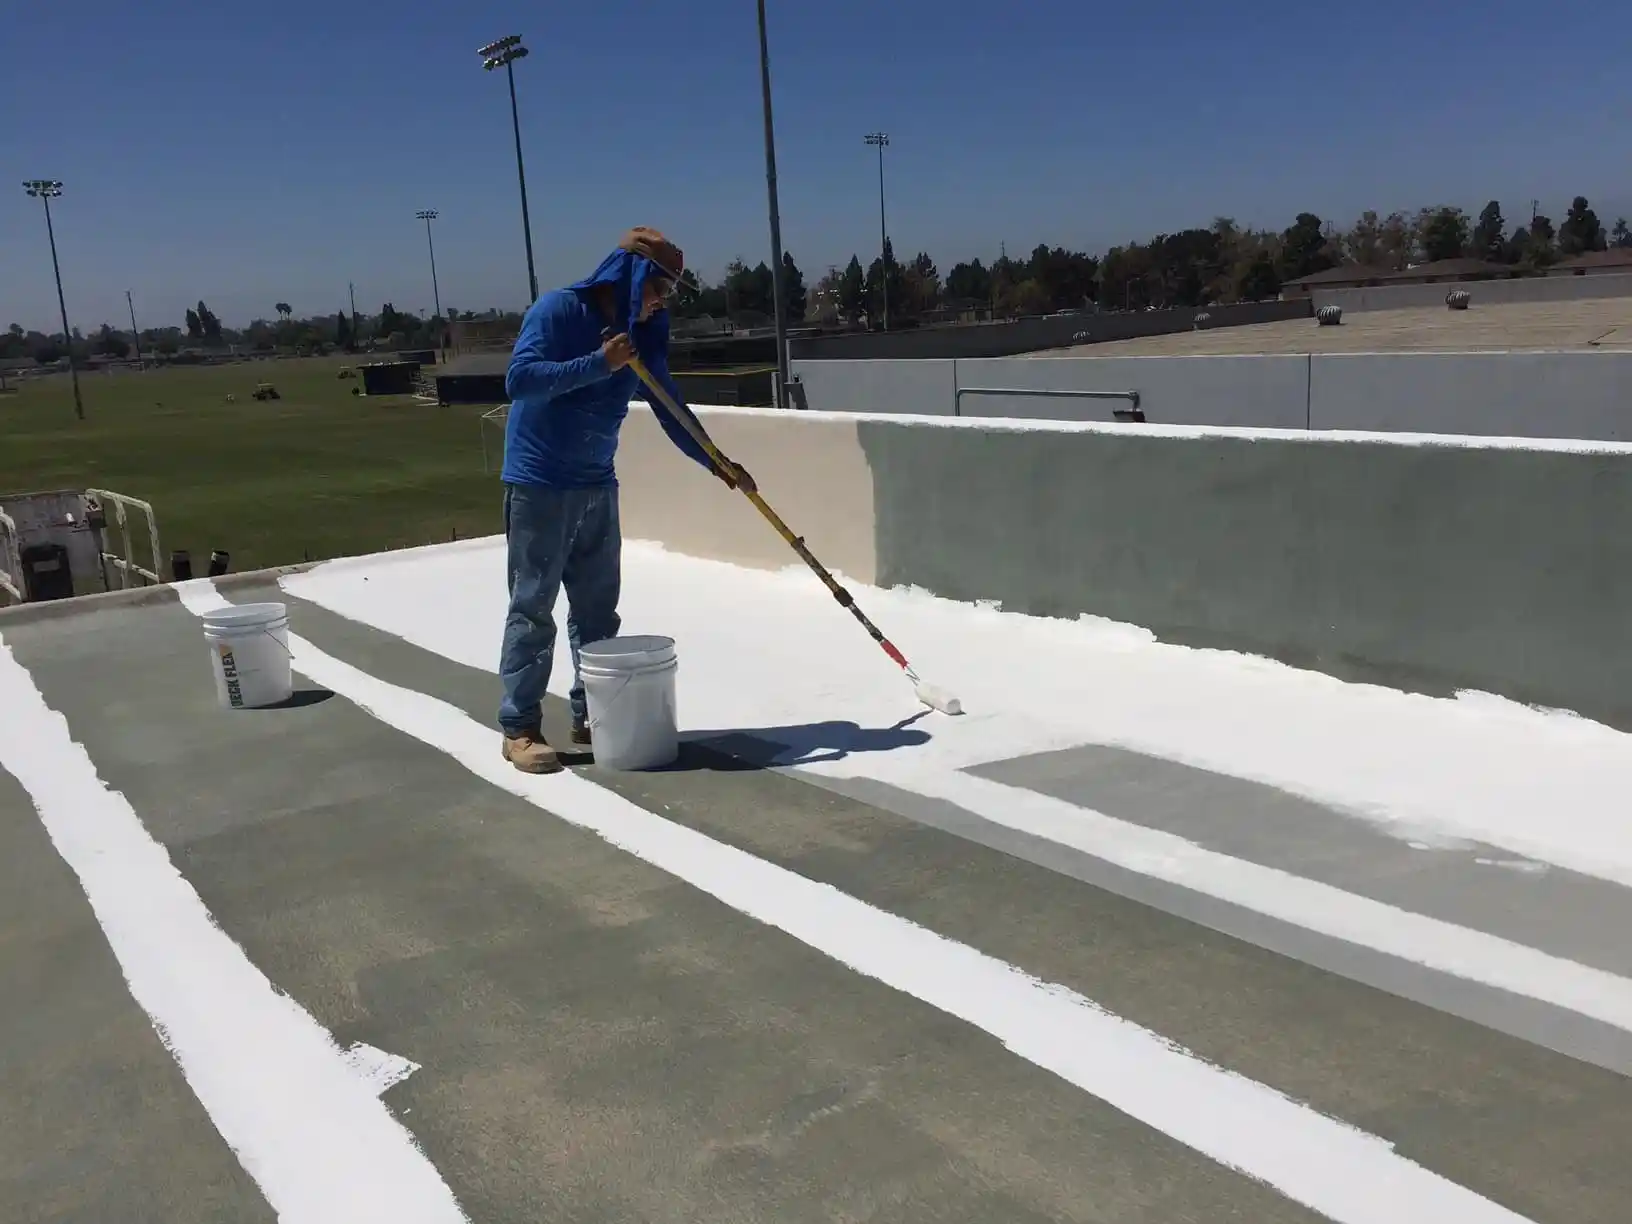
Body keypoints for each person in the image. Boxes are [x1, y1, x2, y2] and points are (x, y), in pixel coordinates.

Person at [497, 227, 755, 774]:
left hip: (597, 484)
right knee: (533, 609)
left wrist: (716, 460)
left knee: (596, 614)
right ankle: (519, 727)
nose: (664, 299)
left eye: (670, 291)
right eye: (660, 285)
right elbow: (520, 380)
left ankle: (591, 714)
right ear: (631, 272)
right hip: (541, 484)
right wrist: (598, 362)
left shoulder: (643, 332)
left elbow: (668, 406)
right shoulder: (559, 311)